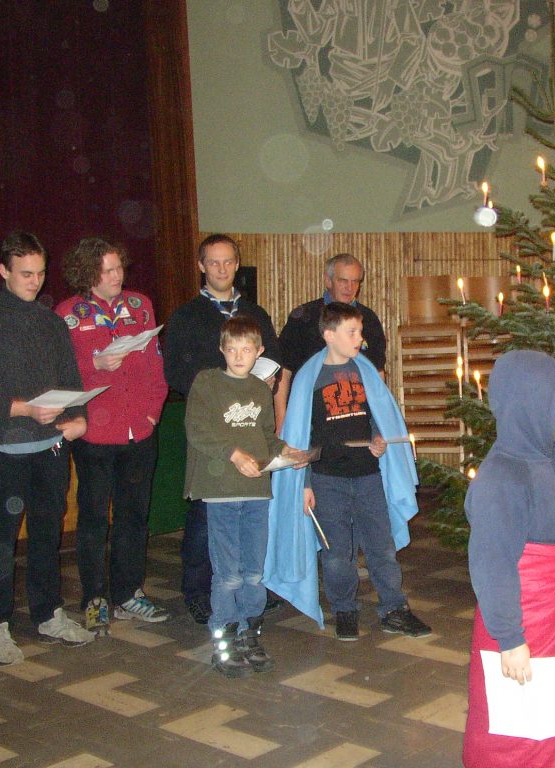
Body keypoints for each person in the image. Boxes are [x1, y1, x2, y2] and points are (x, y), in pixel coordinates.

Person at [462, 350, 555, 767]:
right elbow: (491, 564)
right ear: (528, 404)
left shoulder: (545, 459)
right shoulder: (501, 478)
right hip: (531, 629)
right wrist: (510, 640)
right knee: (524, 739)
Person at [0, 231, 94, 665]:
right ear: (3, 271)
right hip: (3, 451)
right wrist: (25, 409)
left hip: (50, 448)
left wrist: (76, 416)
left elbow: (70, 379)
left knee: (48, 535)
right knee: (0, 541)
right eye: (26, 274)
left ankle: (48, 613)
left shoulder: (51, 323)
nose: (35, 282)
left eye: (40, 273)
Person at [264, 302, 429, 641]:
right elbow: (302, 437)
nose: (360, 338)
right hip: (327, 479)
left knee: (382, 547)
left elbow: (376, 417)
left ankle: (394, 609)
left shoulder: (364, 371)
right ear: (329, 335)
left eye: (360, 331)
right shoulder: (309, 378)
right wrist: (304, 483)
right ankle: (344, 609)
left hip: (368, 475)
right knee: (337, 552)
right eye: (352, 332)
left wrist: (378, 440)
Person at [163, 234, 280, 626]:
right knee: (205, 521)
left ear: (237, 263)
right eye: (213, 262)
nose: (222, 268)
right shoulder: (186, 316)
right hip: (213, 429)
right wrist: (221, 389)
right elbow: (175, 371)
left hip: (249, 423)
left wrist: (265, 381)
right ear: (201, 266)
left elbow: (273, 360)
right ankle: (199, 593)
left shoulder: (254, 313)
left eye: (228, 261)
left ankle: (248, 593)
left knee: (249, 520)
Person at [55, 238, 169, 634]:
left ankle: (128, 593)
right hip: (95, 435)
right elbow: (61, 374)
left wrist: (153, 414)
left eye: (119, 267)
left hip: (140, 431)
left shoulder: (140, 305)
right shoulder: (67, 314)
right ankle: (95, 598)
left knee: (133, 517)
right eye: (107, 270)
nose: (117, 275)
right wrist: (95, 365)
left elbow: (155, 366)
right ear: (87, 274)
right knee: (92, 520)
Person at [185, 316, 304, 677]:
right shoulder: (207, 382)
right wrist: (234, 454)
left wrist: (286, 451)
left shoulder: (259, 389)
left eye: (247, 350)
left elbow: (265, 437)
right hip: (221, 491)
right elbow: (197, 429)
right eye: (232, 349)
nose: (239, 356)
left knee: (254, 572)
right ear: (222, 350)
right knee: (228, 575)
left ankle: (248, 632)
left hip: (255, 492)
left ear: (259, 352)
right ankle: (223, 639)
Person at [274, 253, 386, 431]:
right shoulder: (303, 318)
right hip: (310, 421)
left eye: (355, 281)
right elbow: (284, 372)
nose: (350, 287)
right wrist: (281, 421)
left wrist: (381, 424)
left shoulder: (369, 319)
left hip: (357, 420)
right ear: (328, 280)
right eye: (343, 281)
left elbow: (377, 373)